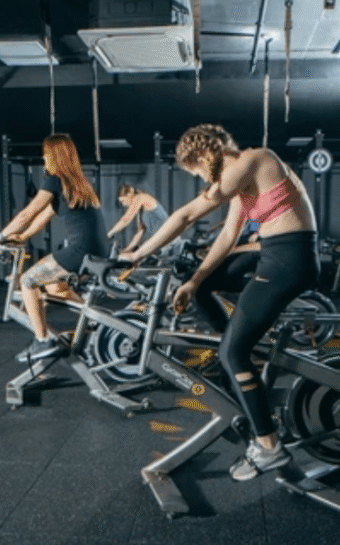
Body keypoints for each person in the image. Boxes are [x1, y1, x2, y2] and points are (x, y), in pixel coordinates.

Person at [120, 123, 319, 481]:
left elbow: (185, 215)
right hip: (275, 253)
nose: (198, 177)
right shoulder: (244, 187)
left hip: (290, 259)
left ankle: (269, 445)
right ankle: (237, 361)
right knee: (203, 286)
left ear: (203, 155)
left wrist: (136, 254)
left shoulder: (254, 159)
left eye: (194, 169)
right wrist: (195, 281)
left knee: (232, 353)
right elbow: (228, 235)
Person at [0, 134, 107, 361]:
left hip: (79, 250)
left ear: (54, 155)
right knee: (54, 287)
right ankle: (94, 321)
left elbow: (28, 212)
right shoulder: (77, 184)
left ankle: (43, 341)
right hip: (97, 250)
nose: (43, 156)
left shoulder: (54, 178)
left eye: (46, 153)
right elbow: (42, 219)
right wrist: (19, 237)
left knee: (27, 281)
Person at [106, 184, 182, 256]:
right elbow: (140, 232)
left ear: (129, 195)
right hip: (162, 242)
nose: (124, 205)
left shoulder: (140, 197)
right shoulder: (140, 211)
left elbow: (125, 220)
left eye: (123, 201)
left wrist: (109, 234)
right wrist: (126, 250)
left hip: (171, 241)